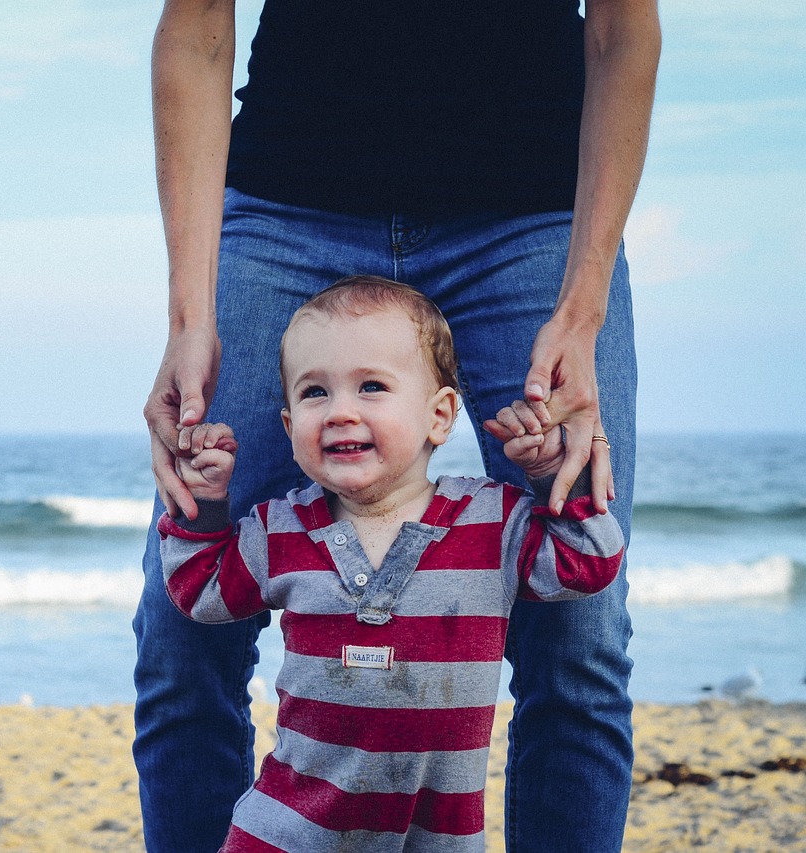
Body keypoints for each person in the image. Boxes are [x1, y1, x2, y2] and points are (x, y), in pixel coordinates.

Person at [133, 2, 660, 851]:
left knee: (581, 640)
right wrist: (190, 317)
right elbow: (196, 26)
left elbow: (621, 29)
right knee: (179, 634)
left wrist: (583, 306)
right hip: (285, 207)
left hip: (534, 217)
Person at [157, 277, 624, 852]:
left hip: (436, 840)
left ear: (439, 416)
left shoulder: (493, 523)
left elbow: (588, 563)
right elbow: (199, 592)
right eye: (314, 392)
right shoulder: (280, 529)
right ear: (289, 427)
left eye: (372, 386)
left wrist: (553, 476)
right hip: (285, 834)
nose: (339, 412)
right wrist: (206, 507)